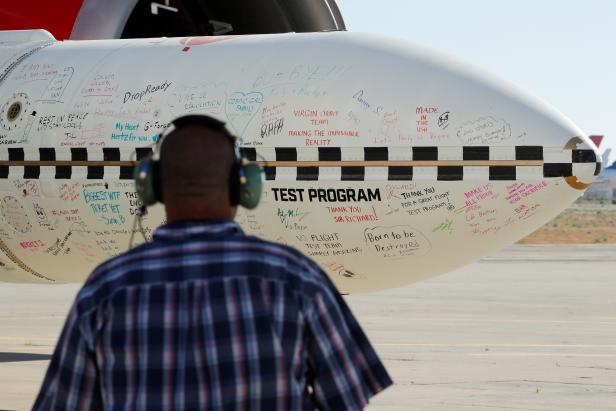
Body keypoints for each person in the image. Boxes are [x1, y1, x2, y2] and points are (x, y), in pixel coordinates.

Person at [33, 115, 392, 410]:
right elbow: (345, 399)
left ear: (152, 186)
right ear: (242, 186)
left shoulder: (105, 288)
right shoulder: (296, 279)